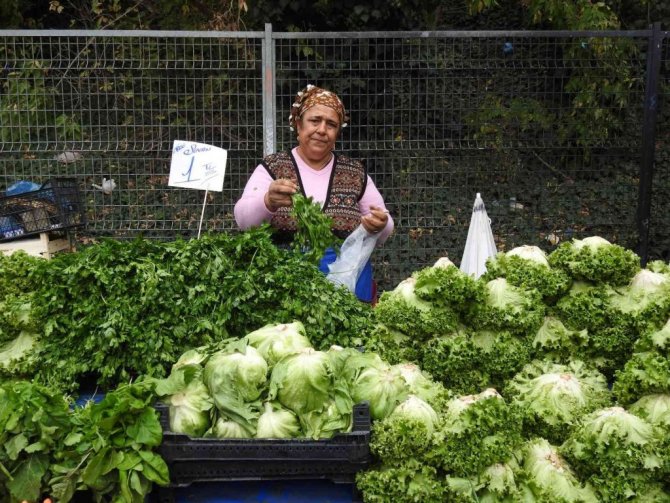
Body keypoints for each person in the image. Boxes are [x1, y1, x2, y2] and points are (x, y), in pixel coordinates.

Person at [234, 84, 394, 303]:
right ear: (298, 124)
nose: (322, 130)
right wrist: (268, 201)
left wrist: (380, 224)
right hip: (283, 288)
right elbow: (243, 220)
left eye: (331, 124)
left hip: (346, 291)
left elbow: (384, 223)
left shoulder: (354, 173)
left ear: (337, 133)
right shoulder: (274, 168)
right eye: (315, 120)